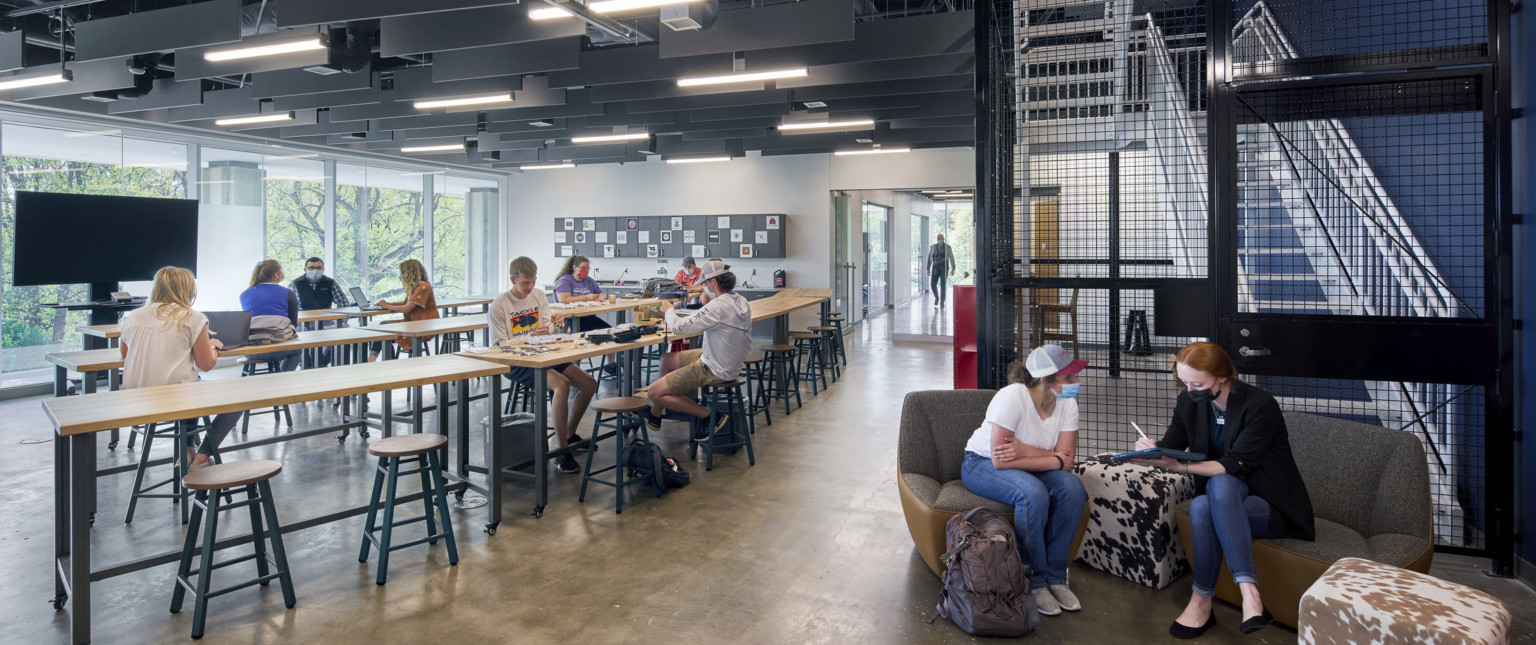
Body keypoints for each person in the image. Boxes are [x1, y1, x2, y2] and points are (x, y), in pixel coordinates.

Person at [1134, 341, 1314, 638]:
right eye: (1185, 382)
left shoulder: (1260, 405)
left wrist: (1180, 468)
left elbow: (1233, 465)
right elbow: (1173, 447)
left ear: (1221, 376)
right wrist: (1150, 451)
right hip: (1222, 502)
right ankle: (1234, 597)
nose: (1190, 390)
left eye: (1197, 383)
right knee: (1205, 504)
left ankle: (1219, 597)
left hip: (1273, 504)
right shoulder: (1189, 401)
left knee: (1219, 484)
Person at [959, 344, 1088, 617]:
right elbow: (1001, 460)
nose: (1076, 382)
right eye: (1068, 377)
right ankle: (1034, 580)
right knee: (1033, 493)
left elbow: (1066, 461)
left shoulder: (1068, 404)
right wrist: (1054, 458)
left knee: (1074, 488)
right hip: (980, 464)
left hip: (1034, 464)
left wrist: (1029, 451)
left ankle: (1056, 577)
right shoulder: (1012, 397)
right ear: (1045, 380)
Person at [119, 267, 242, 472]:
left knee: (190, 384)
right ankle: (202, 457)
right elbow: (206, 364)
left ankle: (187, 450)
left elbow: (124, 355)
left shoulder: (132, 317)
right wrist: (215, 347)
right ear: (187, 290)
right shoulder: (191, 317)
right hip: (175, 397)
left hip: (135, 397)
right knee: (237, 400)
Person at [489, 257, 599, 474]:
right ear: (513, 280)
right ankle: (562, 451)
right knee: (561, 384)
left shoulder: (538, 295)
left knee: (588, 383)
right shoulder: (499, 305)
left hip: (544, 353)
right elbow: (499, 345)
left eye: (533, 281)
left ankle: (569, 433)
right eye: (525, 283)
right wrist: (529, 335)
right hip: (517, 361)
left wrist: (553, 326)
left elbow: (547, 328)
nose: (530, 287)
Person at [643, 259, 751, 441]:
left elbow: (678, 328)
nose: (704, 288)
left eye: (706, 284)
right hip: (727, 360)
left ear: (714, 283)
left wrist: (669, 310)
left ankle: (708, 416)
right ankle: (656, 413)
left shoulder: (717, 306)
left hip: (714, 368)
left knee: (653, 392)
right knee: (667, 359)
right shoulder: (741, 300)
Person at [369, 259, 438, 361]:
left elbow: (407, 308)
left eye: (402, 273)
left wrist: (388, 306)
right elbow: (406, 304)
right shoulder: (416, 286)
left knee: (383, 329)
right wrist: (387, 304)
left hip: (422, 326)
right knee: (383, 329)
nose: (401, 276)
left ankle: (374, 359)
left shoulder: (423, 287)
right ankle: (383, 359)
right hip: (415, 324)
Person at [240, 259, 302, 372]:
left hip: (250, 350)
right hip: (277, 346)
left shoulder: (244, 294)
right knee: (297, 349)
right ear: (277, 274)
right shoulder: (288, 293)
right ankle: (282, 377)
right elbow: (293, 324)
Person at [288, 256, 349, 367]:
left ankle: (322, 362)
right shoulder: (296, 284)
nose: (315, 270)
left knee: (342, 333)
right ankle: (306, 364)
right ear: (305, 269)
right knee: (295, 337)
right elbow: (293, 308)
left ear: (323, 269)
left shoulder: (330, 283)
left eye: (318, 268)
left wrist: (340, 320)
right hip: (303, 322)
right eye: (311, 268)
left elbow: (343, 304)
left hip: (327, 321)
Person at [554, 255, 610, 331]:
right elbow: (564, 299)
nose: (586, 271)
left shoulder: (589, 280)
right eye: (583, 268)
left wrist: (601, 297)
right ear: (575, 268)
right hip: (571, 319)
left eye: (587, 268)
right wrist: (587, 298)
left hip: (588, 317)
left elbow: (602, 293)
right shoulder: (564, 280)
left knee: (609, 331)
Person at [927, 233, 955, 308]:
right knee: (933, 284)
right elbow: (930, 258)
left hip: (944, 268)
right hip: (935, 268)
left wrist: (953, 268)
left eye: (941, 238)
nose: (940, 240)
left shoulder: (947, 247)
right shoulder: (933, 247)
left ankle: (942, 302)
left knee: (943, 285)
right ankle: (937, 297)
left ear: (943, 239)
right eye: (939, 238)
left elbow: (951, 257)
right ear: (937, 239)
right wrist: (928, 268)